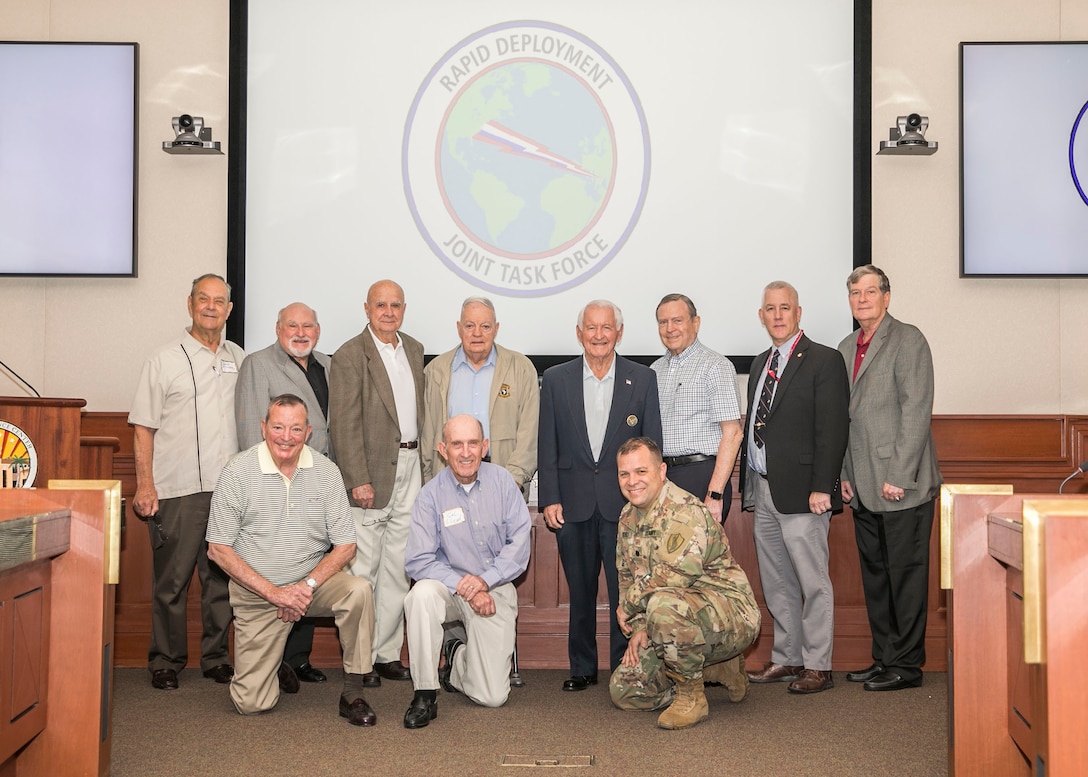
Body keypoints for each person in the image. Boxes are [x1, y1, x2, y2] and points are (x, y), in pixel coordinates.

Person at [206, 394, 377, 726]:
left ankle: (354, 691)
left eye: (296, 429)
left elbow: (346, 546)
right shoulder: (238, 472)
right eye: (278, 427)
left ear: (308, 431)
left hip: (310, 586)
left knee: (359, 591)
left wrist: (304, 587)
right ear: (263, 427)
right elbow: (218, 549)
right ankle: (273, 665)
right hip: (256, 592)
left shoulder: (326, 472)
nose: (286, 437)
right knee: (251, 704)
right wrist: (275, 593)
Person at [538, 300, 662, 691]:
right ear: (579, 333)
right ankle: (582, 668)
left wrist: (648, 500)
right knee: (580, 590)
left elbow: (651, 444)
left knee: (626, 589)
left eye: (606, 327)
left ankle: (623, 668)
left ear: (619, 333)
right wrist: (549, 497)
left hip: (625, 505)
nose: (598, 335)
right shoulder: (556, 379)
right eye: (590, 328)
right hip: (572, 504)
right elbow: (548, 443)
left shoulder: (641, 379)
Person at [129, 273, 244, 690]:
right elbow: (142, 427)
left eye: (219, 301)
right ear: (190, 304)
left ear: (229, 310)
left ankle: (215, 657)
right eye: (203, 299)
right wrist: (145, 485)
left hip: (230, 491)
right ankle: (166, 660)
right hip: (178, 489)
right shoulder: (163, 359)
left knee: (221, 581)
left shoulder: (240, 357)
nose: (211, 306)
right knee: (171, 582)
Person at [740, 281, 850, 694]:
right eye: (770, 308)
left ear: (798, 312)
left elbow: (834, 428)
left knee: (812, 579)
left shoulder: (824, 360)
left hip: (806, 492)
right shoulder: (759, 363)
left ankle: (819, 665)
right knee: (776, 580)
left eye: (785, 307)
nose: (778, 315)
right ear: (761, 316)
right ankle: (788, 658)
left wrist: (824, 485)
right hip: (764, 489)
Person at [837, 265, 941, 692]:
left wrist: (900, 474)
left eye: (870, 291)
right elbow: (843, 418)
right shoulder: (846, 347)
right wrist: (844, 473)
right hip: (862, 482)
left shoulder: (908, 339)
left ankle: (907, 665)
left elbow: (916, 409)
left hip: (902, 483)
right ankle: (884, 658)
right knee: (877, 578)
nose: (862, 299)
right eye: (854, 293)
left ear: (887, 296)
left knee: (906, 576)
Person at [610, 437, 760, 730]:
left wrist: (628, 607)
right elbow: (627, 576)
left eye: (641, 471)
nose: (631, 481)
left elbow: (672, 577)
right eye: (624, 473)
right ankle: (714, 667)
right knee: (625, 691)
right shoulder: (628, 516)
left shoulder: (684, 510)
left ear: (662, 471)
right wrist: (639, 626)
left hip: (732, 614)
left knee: (664, 606)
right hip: (675, 617)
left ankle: (692, 697)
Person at [401, 415, 531, 729]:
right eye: (457, 444)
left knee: (491, 697)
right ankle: (425, 692)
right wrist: (464, 585)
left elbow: (520, 545)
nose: (465, 452)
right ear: (442, 449)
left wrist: (483, 581)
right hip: (448, 587)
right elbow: (418, 560)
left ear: (485, 447)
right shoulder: (430, 495)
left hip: (494, 586)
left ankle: (456, 653)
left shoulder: (503, 483)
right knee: (419, 596)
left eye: (473, 443)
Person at [329, 279, 424, 687]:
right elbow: (343, 424)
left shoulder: (415, 349)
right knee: (364, 571)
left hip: (412, 463)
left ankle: (386, 653)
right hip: (370, 472)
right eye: (381, 305)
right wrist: (357, 479)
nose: (389, 312)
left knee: (399, 568)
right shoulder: (350, 355)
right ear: (367, 309)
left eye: (396, 305)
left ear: (404, 309)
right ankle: (360, 659)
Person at [234, 301, 331, 691]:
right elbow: (247, 430)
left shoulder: (327, 364)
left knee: (309, 563)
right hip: (275, 483)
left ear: (318, 331)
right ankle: (274, 661)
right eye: (293, 325)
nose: (301, 331)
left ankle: (298, 659)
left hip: (318, 482)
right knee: (277, 564)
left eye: (308, 325)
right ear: (278, 329)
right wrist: (261, 485)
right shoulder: (257, 364)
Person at [420, 297, 539, 493]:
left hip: (504, 483)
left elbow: (530, 433)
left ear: (496, 328)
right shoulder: (436, 372)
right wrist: (430, 484)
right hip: (448, 483)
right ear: (459, 328)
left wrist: (513, 481)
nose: (477, 333)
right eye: (469, 326)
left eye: (485, 326)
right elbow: (427, 437)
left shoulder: (521, 369)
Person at [651, 293, 743, 523]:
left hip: (701, 477)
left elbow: (732, 434)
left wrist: (714, 493)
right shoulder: (654, 370)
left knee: (695, 558)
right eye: (663, 322)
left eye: (677, 320)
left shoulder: (715, 366)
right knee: (664, 558)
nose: (670, 328)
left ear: (696, 322)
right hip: (662, 479)